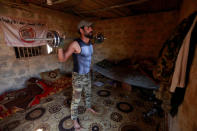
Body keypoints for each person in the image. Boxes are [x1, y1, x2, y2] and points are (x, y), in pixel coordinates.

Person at [58, 20, 97, 131]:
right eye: (88, 28)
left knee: (88, 92)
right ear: (81, 30)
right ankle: (74, 120)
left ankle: (88, 107)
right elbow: (62, 59)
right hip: (78, 76)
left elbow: (88, 55)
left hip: (87, 74)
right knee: (76, 100)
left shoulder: (90, 42)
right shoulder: (75, 44)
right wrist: (60, 45)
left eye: (91, 28)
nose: (91, 29)